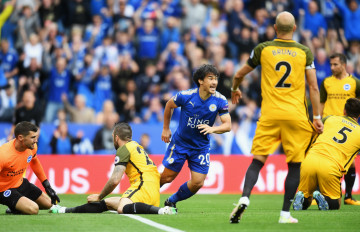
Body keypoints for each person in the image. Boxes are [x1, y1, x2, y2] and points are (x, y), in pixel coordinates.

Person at [229, 11, 323, 224]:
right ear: (295, 29)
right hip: (296, 116)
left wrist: (235, 89)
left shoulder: (263, 49)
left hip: (270, 115)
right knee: (295, 165)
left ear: (274, 28)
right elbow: (314, 87)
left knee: (257, 161)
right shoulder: (304, 52)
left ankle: (244, 197)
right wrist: (316, 116)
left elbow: (238, 74)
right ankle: (285, 214)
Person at [49, 122, 177, 215]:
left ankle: (162, 211)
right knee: (108, 203)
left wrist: (99, 196)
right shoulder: (137, 146)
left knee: (122, 208)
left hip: (143, 187)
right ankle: (64, 210)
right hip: (153, 191)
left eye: (112, 137)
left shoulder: (124, 149)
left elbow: (115, 179)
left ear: (116, 137)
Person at [160, 64, 231, 209]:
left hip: (200, 148)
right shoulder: (186, 96)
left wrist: (212, 129)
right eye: (210, 78)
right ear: (200, 81)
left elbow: (227, 125)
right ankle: (144, 194)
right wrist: (166, 128)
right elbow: (169, 105)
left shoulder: (220, 100)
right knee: (167, 177)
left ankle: (171, 200)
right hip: (180, 144)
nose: (214, 82)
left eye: (216, 79)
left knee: (198, 182)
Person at [293, 98, 360, 211]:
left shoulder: (330, 119)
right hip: (331, 167)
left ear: (344, 111)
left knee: (305, 197)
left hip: (310, 160)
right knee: (335, 205)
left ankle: (302, 197)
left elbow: (313, 132)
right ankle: (325, 200)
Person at [320, 53, 360, 205]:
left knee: (350, 162)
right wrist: (318, 120)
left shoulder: (355, 82)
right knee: (324, 161)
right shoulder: (326, 82)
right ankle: (320, 196)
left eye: (335, 64)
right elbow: (322, 103)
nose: (332, 67)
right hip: (329, 125)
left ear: (343, 64)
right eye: (331, 65)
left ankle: (348, 196)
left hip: (347, 126)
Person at [0, 121, 60, 214]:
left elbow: (35, 163)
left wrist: (47, 185)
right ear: (20, 138)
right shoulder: (3, 154)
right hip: (4, 189)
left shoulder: (32, 147)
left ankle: (16, 207)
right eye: (33, 137)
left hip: (19, 183)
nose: (36, 140)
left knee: (49, 204)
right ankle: (15, 207)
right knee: (33, 209)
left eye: (36, 137)